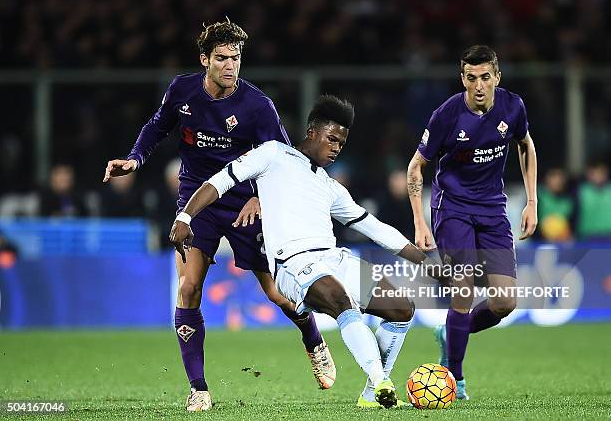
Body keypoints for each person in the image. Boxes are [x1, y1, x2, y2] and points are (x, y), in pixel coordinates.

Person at [102, 19, 333, 411]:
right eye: (223, 58)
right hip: (197, 201)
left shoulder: (258, 106)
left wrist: (261, 198)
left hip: (245, 201)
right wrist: (135, 159)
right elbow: (156, 128)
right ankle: (199, 388)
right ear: (204, 59)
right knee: (189, 287)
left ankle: (313, 340)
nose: (231, 65)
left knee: (278, 293)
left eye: (237, 58)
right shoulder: (182, 90)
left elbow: (285, 162)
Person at [170, 95, 441, 409]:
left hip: (332, 258)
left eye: (342, 142)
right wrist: (185, 216)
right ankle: (382, 383)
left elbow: (374, 228)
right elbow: (220, 181)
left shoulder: (329, 186)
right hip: (292, 265)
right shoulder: (273, 154)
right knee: (341, 299)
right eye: (332, 139)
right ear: (313, 132)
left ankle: (370, 396)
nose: (337, 148)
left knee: (401, 309)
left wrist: (427, 263)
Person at [406, 45, 538, 400]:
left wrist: (532, 202)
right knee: (463, 290)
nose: (478, 85)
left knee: (504, 303)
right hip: (453, 209)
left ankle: (450, 335)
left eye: (485, 77)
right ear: (462, 78)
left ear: (497, 76)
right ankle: (455, 380)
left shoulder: (513, 107)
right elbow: (416, 166)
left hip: (493, 210)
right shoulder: (447, 115)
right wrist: (419, 222)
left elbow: (525, 145)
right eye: (470, 78)